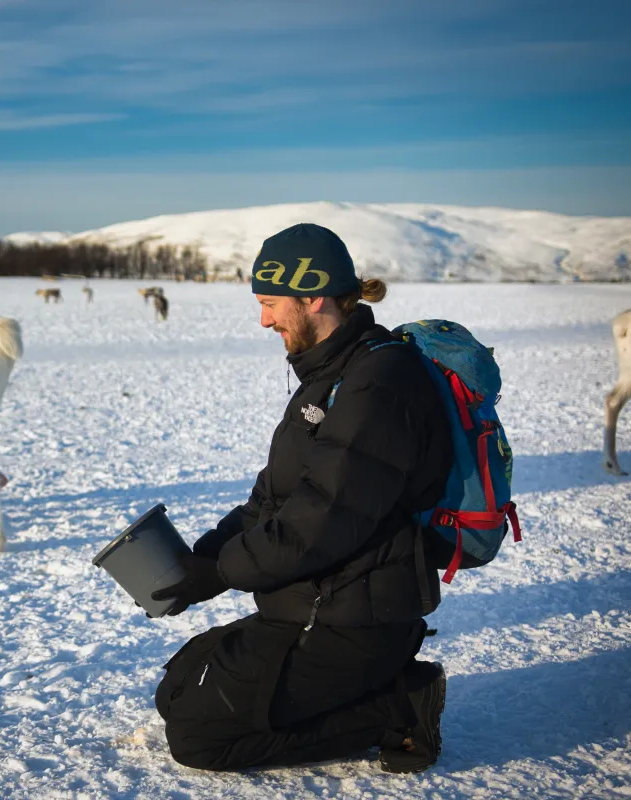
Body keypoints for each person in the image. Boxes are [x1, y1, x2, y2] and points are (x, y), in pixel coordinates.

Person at [151, 222, 454, 774]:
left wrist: (222, 571)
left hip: (354, 620)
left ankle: (397, 706)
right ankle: (366, 691)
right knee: (177, 688)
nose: (263, 320)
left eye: (270, 303)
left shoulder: (380, 381)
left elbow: (322, 520)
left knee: (199, 738)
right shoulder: (330, 373)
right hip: (310, 604)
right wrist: (203, 555)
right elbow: (272, 498)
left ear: (312, 295)